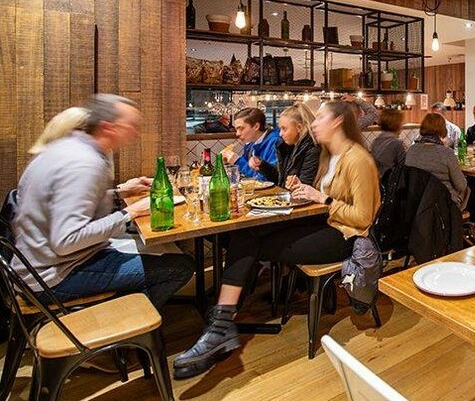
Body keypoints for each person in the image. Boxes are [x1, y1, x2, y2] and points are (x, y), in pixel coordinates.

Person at [174, 101, 380, 375]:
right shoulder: (329, 156)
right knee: (247, 232)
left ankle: (220, 327)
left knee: (249, 241)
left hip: (344, 237)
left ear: (338, 122)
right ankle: (222, 323)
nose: (314, 123)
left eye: (319, 118)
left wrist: (323, 198)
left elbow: (364, 217)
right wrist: (304, 188)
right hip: (325, 224)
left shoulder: (358, 159)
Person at [12, 94, 195, 310]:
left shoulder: (65, 149)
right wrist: (131, 212)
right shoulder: (85, 164)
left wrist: (120, 192)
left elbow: (66, 202)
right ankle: (126, 329)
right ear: (108, 128)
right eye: (131, 126)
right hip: (54, 277)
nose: (136, 133)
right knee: (181, 266)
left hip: (36, 267)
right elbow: (67, 241)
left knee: (151, 250)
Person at [406, 113, 467, 208]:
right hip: (442, 204)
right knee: (468, 190)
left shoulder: (411, 150)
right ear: (443, 129)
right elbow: (461, 186)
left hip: (416, 203)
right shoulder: (447, 153)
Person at [255, 103, 321, 189]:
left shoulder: (312, 149)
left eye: (284, 129)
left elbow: (304, 187)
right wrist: (262, 165)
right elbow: (280, 178)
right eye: (280, 129)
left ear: (299, 128)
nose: (280, 134)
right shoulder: (288, 147)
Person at [222, 107, 282, 181]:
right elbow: (246, 173)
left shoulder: (275, 142)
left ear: (256, 126)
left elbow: (264, 178)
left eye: (241, 128)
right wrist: (229, 163)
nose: (237, 134)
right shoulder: (250, 144)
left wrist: (237, 160)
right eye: (236, 129)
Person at [371, 109, 407, 178]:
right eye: (401, 122)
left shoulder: (375, 141)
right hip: (391, 183)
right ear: (396, 124)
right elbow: (404, 168)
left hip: (377, 181)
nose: (402, 125)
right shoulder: (397, 144)